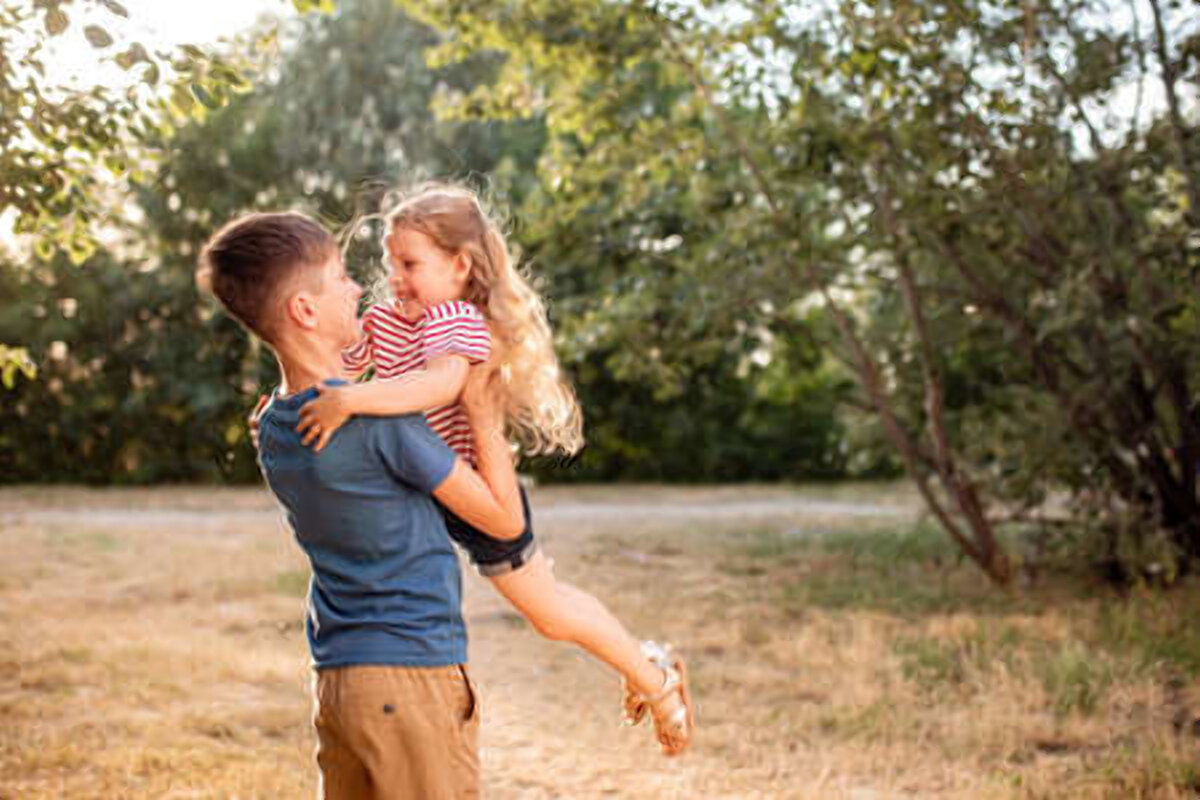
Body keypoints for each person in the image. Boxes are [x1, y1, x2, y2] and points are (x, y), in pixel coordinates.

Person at [289, 182, 694, 754]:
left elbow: (441, 383)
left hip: (475, 484)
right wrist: (287, 396)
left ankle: (655, 677)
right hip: (423, 490)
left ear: (460, 266)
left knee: (550, 613)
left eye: (410, 263)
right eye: (390, 263)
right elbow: (333, 367)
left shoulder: (455, 318)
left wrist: (354, 400)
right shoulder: (384, 321)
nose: (396, 276)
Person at [198, 210, 523, 799]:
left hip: (338, 682)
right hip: (411, 675)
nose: (358, 289)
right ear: (305, 310)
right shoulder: (379, 420)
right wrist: (483, 412)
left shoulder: (273, 426)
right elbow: (504, 520)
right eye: (342, 277)